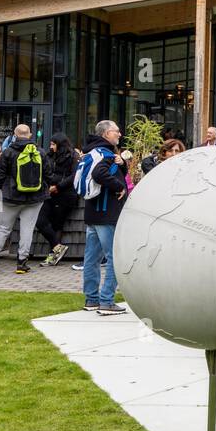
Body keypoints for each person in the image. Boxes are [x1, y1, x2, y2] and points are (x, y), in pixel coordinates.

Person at [0, 124, 48, 274]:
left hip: (10, 197)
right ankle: (22, 263)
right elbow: (48, 174)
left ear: (15, 135)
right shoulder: (40, 152)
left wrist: (2, 189)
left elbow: (0, 174)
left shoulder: (8, 152)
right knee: (27, 229)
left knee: (3, 228)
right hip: (34, 198)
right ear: (30, 135)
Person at [79, 119, 129, 315]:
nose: (119, 134)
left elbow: (106, 173)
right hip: (107, 213)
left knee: (91, 258)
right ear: (106, 134)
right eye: (116, 131)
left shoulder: (92, 152)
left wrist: (122, 163)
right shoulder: (106, 154)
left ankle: (91, 299)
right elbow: (101, 175)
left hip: (92, 213)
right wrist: (118, 187)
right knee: (114, 257)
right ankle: (107, 301)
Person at [35, 133, 78, 266]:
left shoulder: (73, 156)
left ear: (60, 144)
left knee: (57, 224)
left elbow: (74, 176)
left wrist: (58, 187)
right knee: (40, 220)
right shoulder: (49, 156)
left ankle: (53, 257)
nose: (51, 146)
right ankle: (58, 247)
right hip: (49, 194)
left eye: (53, 144)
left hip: (65, 195)